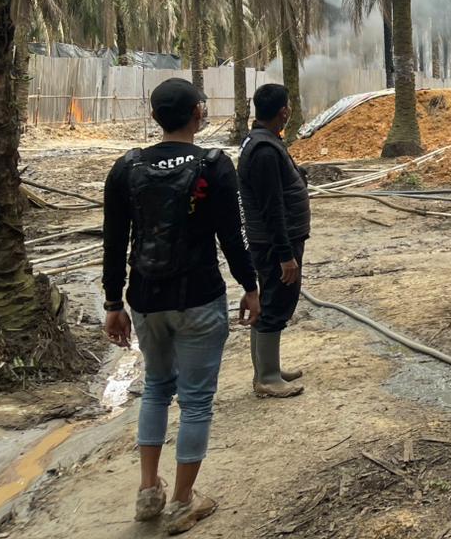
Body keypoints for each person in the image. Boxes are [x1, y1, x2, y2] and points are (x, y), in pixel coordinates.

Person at [102, 78, 260, 535]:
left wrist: (114, 302)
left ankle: (148, 491)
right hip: (198, 297)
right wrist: (250, 286)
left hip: (146, 299)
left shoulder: (125, 168)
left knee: (155, 387)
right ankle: (182, 502)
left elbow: (114, 243)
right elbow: (232, 234)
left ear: (155, 117)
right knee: (195, 402)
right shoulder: (213, 164)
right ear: (198, 112)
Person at [238, 83, 311, 398]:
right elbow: (272, 209)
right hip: (274, 244)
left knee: (271, 301)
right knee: (276, 304)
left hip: (271, 241)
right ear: (284, 112)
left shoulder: (261, 142)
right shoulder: (265, 151)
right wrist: (285, 255)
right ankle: (266, 377)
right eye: (289, 106)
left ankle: (268, 367)